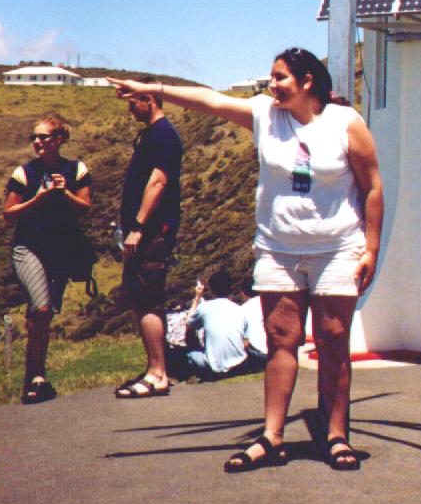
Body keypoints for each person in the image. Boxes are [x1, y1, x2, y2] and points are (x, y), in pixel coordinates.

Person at [108, 47, 383, 471]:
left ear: (307, 81)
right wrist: (152, 88)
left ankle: (336, 435)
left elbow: (372, 187)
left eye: (280, 78)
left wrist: (371, 247)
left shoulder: (346, 124)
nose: (271, 86)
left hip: (337, 250)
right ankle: (272, 436)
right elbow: (210, 100)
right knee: (280, 342)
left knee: (332, 341)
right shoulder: (264, 115)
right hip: (279, 249)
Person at [3, 114, 92, 405]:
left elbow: (85, 207)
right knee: (40, 308)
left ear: (58, 140)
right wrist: (38, 198)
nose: (37, 142)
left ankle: (35, 379)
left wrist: (64, 192)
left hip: (60, 250)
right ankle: (36, 378)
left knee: (44, 313)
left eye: (43, 137)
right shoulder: (24, 173)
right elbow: (9, 214)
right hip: (29, 247)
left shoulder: (76, 169)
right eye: (34, 138)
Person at [113, 84, 183, 399]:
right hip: (145, 229)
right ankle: (155, 368)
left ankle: (158, 373)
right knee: (141, 298)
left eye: (134, 103)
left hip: (152, 230)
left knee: (148, 297)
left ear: (150, 99)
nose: (130, 110)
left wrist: (139, 226)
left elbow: (159, 180)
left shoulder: (163, 135)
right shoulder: (152, 134)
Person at [184, 269, 248, 380]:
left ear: (211, 289)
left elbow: (188, 323)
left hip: (215, 368)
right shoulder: (240, 310)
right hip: (240, 364)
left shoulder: (205, 308)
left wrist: (197, 297)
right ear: (230, 288)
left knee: (190, 354)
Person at [241, 279, 268, 371]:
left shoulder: (242, 309)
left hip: (257, 353)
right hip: (275, 350)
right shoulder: (269, 304)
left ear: (243, 294)